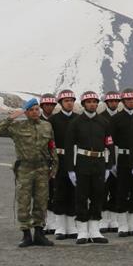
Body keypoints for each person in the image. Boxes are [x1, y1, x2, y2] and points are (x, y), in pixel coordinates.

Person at [0, 98, 56, 247]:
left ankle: (40, 234)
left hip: (42, 168)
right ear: (26, 112)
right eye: (31, 110)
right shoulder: (17, 126)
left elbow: (51, 147)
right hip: (25, 169)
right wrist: (11, 117)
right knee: (24, 202)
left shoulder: (47, 126)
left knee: (41, 201)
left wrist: (54, 167)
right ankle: (26, 234)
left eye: (36, 109)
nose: (35, 112)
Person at [64, 91, 115, 244]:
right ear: (84, 104)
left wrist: (108, 166)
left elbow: (110, 145)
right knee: (81, 196)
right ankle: (82, 231)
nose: (92, 104)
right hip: (82, 163)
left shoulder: (104, 122)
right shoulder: (76, 123)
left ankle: (95, 230)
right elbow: (69, 147)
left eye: (94, 102)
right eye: (89, 102)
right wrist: (71, 170)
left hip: (99, 163)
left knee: (98, 196)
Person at [48, 89, 79, 240]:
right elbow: (48, 142)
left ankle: (72, 226)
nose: (69, 103)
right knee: (59, 193)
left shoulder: (79, 119)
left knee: (74, 193)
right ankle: (60, 226)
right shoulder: (53, 120)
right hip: (59, 159)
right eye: (66, 101)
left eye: (72, 100)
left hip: (75, 160)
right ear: (60, 103)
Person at [112, 88, 133, 237]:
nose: (131, 102)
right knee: (122, 191)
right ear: (123, 102)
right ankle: (122, 224)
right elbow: (110, 142)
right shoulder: (116, 119)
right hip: (123, 159)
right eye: (128, 100)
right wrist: (112, 162)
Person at [98, 91, 122, 234]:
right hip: (105, 157)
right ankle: (103, 218)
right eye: (111, 102)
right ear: (106, 103)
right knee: (102, 190)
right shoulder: (101, 118)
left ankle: (114, 219)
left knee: (116, 190)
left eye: (116, 102)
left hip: (120, 156)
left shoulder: (121, 117)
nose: (114, 104)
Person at [38, 93, 58, 233]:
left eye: (52, 105)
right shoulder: (37, 121)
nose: (49, 107)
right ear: (42, 106)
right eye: (47, 105)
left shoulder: (58, 120)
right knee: (42, 193)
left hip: (56, 159)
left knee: (56, 191)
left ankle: (54, 221)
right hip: (41, 161)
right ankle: (43, 221)